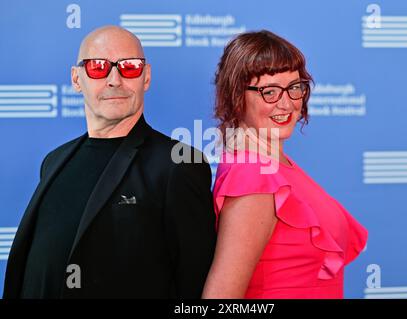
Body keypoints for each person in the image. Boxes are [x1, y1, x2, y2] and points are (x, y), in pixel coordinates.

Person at [3, 25, 216, 299]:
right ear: (76, 79)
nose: (114, 79)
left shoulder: (178, 165)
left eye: (129, 67)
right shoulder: (54, 161)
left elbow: (196, 285)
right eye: (98, 67)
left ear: (146, 77)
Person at [202, 30, 368, 299]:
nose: (287, 103)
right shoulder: (253, 175)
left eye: (294, 87)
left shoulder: (276, 165)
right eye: (269, 91)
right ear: (236, 96)